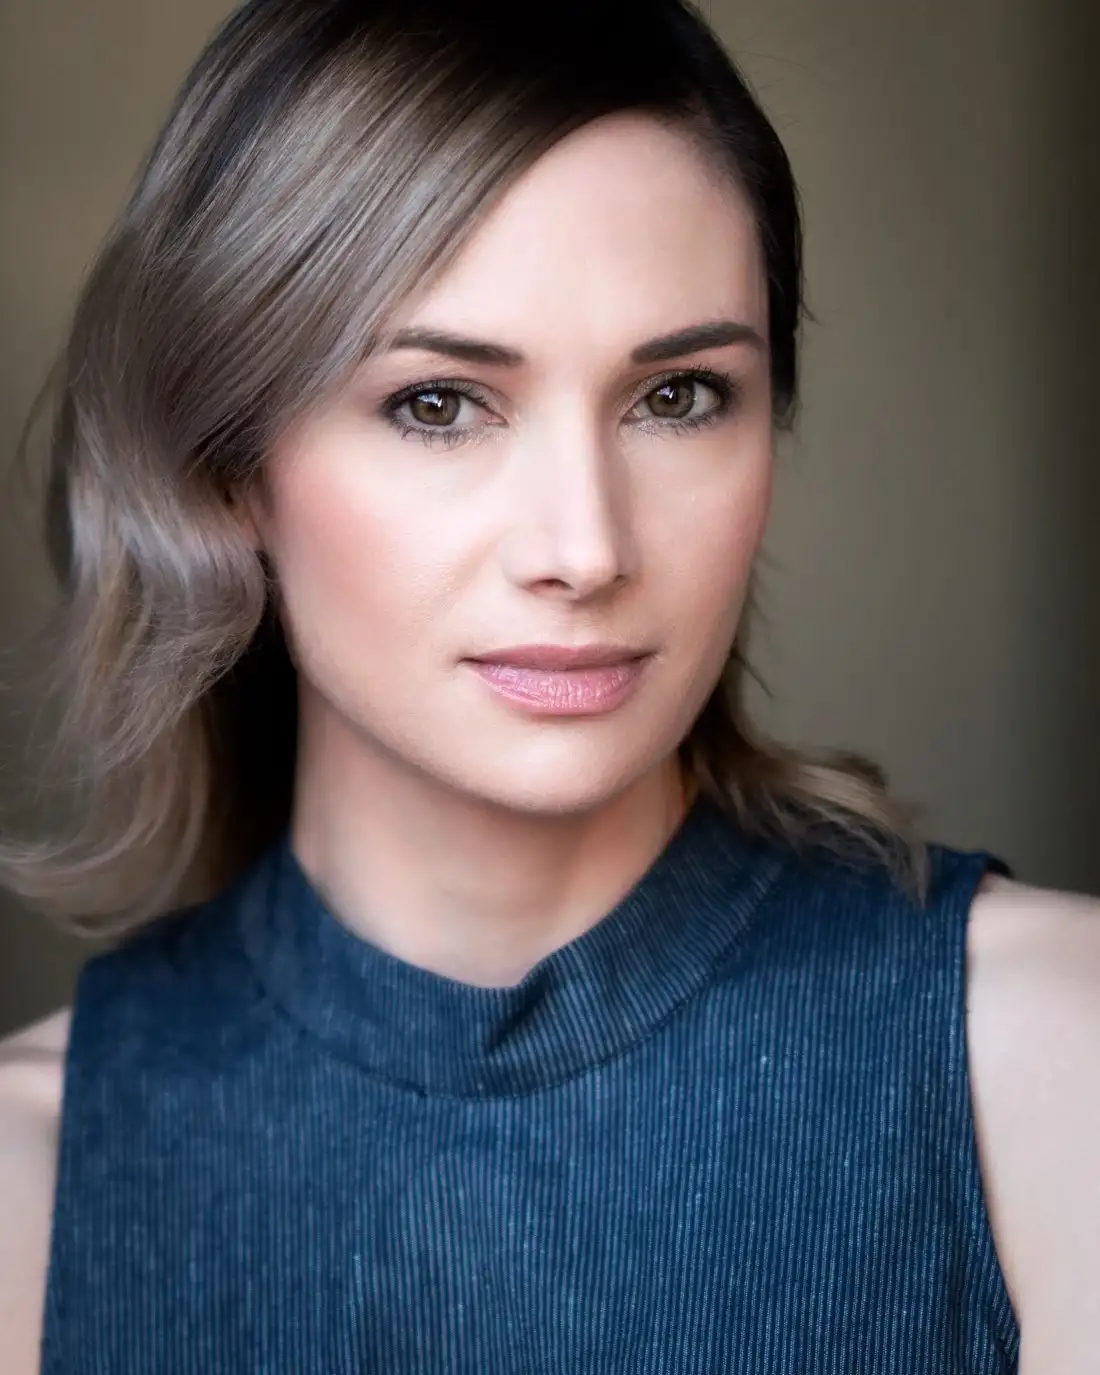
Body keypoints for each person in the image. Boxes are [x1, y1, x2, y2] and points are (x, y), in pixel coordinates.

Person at [0, 0, 1097, 1370]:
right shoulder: (32, 1186)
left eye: (678, 396)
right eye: (439, 404)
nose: (586, 548)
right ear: (226, 474)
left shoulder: (1051, 1065)